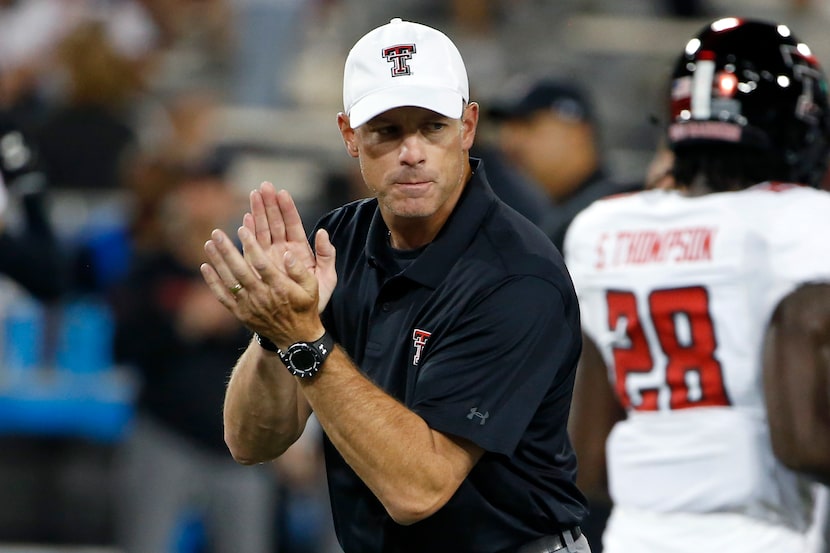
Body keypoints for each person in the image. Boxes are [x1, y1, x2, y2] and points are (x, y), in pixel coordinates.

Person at [201, 17, 591, 553]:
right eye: (387, 131)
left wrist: (304, 339)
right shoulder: (337, 239)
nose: (412, 152)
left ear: (468, 127)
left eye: (432, 126)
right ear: (349, 136)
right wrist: (274, 334)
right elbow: (252, 441)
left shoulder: (516, 275)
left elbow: (418, 489)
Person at [563, 17, 830, 553]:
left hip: (634, 533)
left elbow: (584, 457)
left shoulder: (601, 229)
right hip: (760, 534)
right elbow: (802, 441)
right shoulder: (800, 223)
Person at [109, 149, 278, 553]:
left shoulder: (254, 271)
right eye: (194, 189)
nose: (203, 199)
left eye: (213, 189)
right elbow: (121, 346)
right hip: (165, 433)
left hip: (240, 443)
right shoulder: (152, 267)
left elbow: (282, 352)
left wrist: (241, 319)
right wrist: (179, 325)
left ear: (229, 197)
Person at [485, 76, 639, 253]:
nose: (510, 141)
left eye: (527, 125)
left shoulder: (615, 212)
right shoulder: (532, 211)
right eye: (506, 128)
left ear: (577, 133)